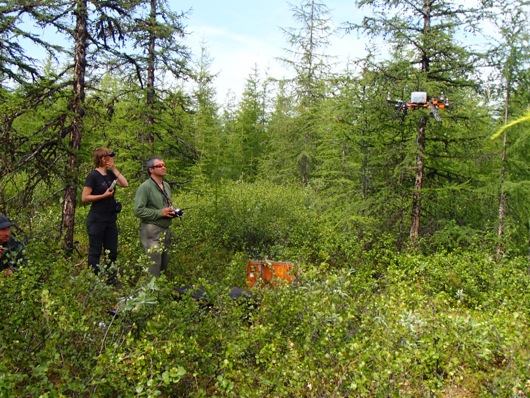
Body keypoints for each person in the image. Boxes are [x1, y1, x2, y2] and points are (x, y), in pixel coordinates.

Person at [82, 147, 128, 284]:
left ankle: (111, 279)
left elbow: (125, 184)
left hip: (110, 219)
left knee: (112, 251)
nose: (112, 158)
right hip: (96, 219)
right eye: (110, 156)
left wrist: (114, 169)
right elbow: (84, 197)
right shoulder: (93, 176)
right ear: (102, 159)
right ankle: (93, 280)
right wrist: (103, 196)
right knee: (95, 251)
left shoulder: (110, 174)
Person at [134, 157, 182, 277]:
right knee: (154, 265)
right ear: (151, 170)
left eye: (164, 165)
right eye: (160, 165)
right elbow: (138, 210)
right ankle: (151, 293)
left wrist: (173, 212)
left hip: (166, 229)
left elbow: (165, 205)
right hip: (152, 230)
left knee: (164, 264)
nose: (163, 167)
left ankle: (160, 293)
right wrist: (160, 213)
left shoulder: (166, 185)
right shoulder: (145, 187)